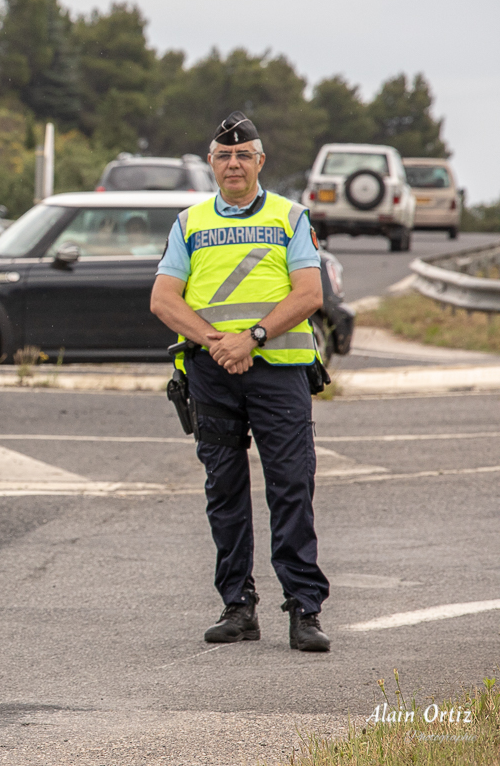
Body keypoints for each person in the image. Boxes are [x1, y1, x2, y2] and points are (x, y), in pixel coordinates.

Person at [149, 111, 331, 652]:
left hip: (278, 372)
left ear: (260, 162)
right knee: (224, 492)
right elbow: (163, 299)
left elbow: (309, 294)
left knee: (291, 486)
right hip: (213, 374)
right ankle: (238, 606)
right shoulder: (189, 222)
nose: (233, 163)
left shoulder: (290, 217)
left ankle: (304, 608)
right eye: (224, 155)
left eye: (243, 155)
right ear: (211, 162)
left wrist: (250, 336)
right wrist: (215, 342)